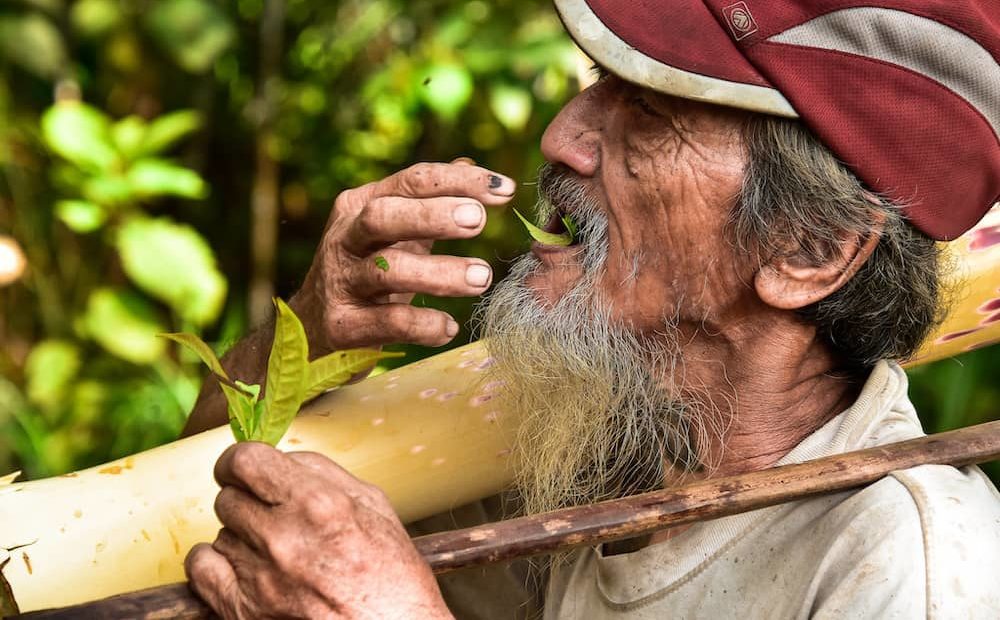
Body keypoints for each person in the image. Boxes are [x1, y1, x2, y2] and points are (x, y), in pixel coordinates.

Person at [181, 0, 1000, 617]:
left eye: (649, 112)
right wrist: (305, 330)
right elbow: (192, 528)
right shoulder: (584, 433)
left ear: (809, 251)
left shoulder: (918, 567)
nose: (562, 137)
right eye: (604, 83)